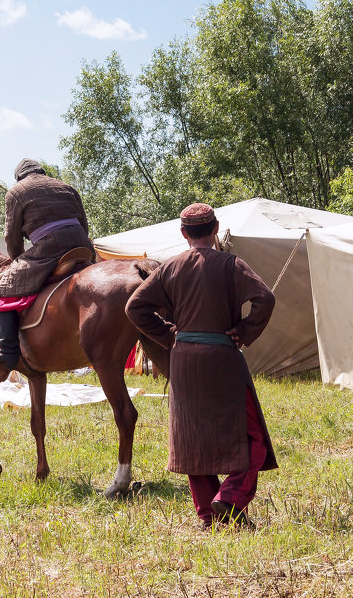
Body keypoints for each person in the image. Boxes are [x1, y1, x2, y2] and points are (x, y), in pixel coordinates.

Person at [125, 203, 277, 529]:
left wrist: (168, 337)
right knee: (253, 438)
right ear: (216, 228)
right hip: (223, 360)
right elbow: (265, 298)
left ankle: (209, 516)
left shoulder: (170, 268)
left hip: (183, 362)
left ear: (183, 234)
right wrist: (245, 331)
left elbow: (135, 307)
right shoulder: (231, 264)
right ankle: (231, 499)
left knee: (193, 439)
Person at [0, 158, 93, 370]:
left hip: (50, 248)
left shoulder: (15, 192)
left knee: (2, 289)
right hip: (82, 245)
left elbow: (12, 238)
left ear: (19, 177)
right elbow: (84, 226)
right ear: (42, 172)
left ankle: (7, 352)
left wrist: (17, 259)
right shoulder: (67, 187)